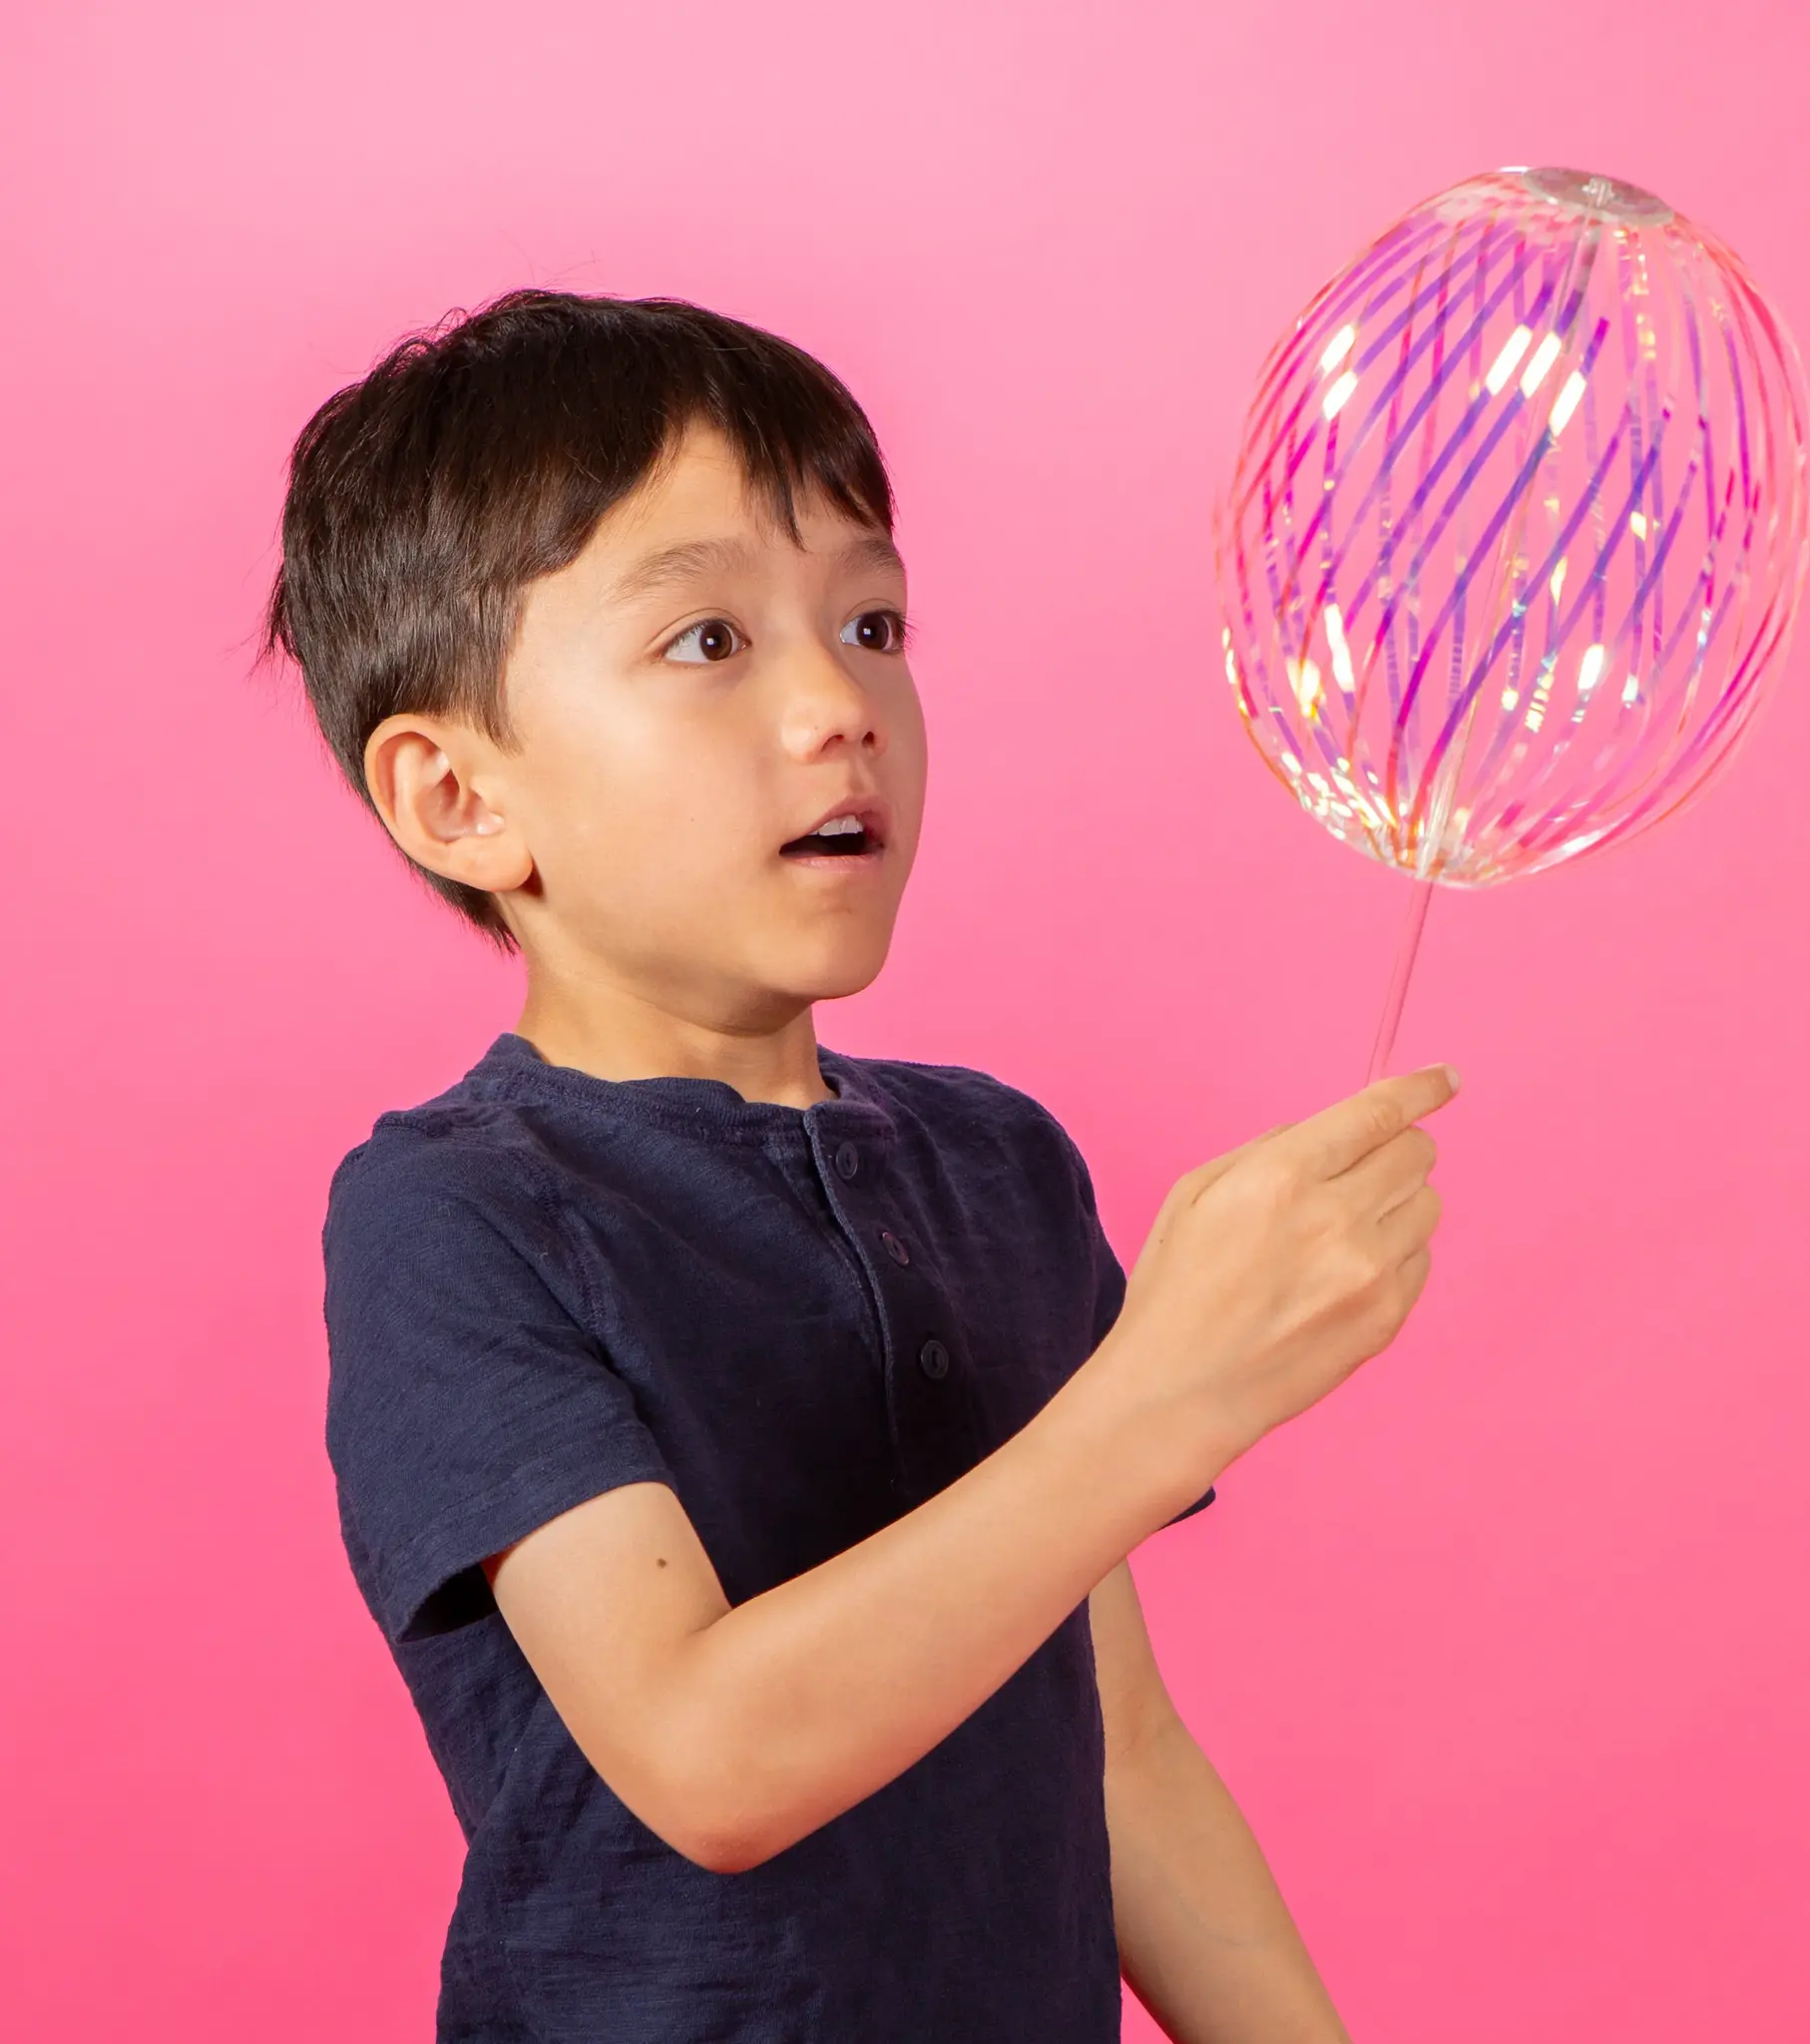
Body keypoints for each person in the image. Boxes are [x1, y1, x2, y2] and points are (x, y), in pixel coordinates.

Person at [272, 288, 1455, 2043]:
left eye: (872, 620)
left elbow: (1122, 1754)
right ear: (461, 800)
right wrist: (1168, 1397)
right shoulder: (457, 1214)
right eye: (708, 640)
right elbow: (705, 1757)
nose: (840, 702)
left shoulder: (1003, 1165)